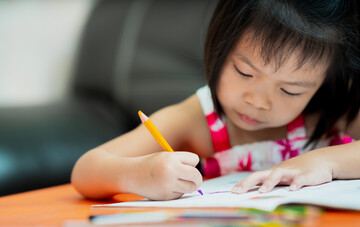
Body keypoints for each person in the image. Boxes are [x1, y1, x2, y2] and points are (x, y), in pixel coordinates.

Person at [71, 0, 360, 200]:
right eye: (244, 72)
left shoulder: (332, 106)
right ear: (219, 43)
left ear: (324, 81)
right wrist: (140, 173)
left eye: (290, 90)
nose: (258, 101)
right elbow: (86, 169)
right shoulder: (197, 119)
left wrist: (327, 162)